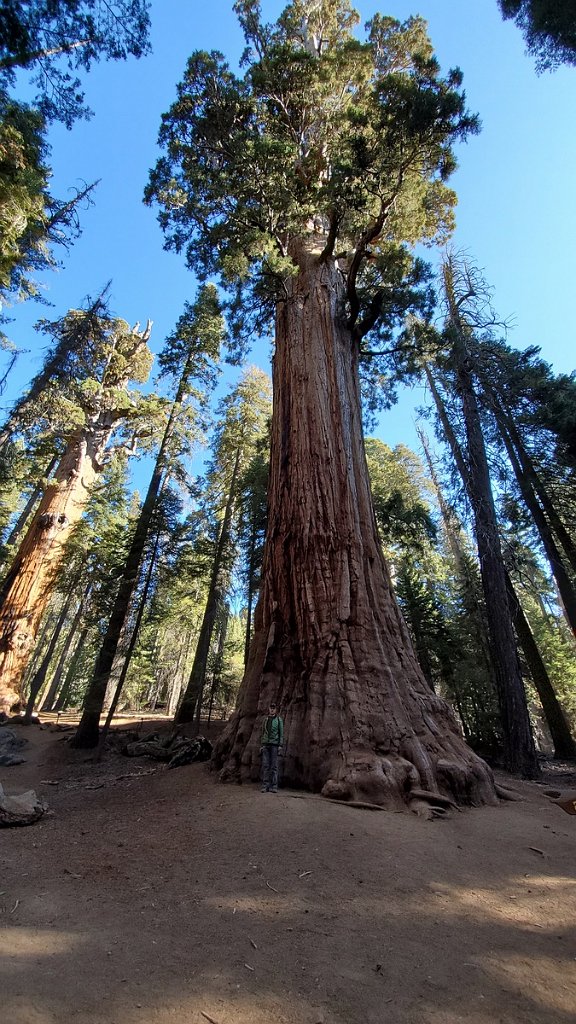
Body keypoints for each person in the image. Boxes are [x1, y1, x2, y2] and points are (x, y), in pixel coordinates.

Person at [260, 700, 284, 793]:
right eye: (271, 708)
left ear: (276, 710)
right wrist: (262, 744)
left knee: (274, 766)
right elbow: (262, 733)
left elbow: (281, 733)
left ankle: (274, 786)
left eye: (274, 708)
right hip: (266, 745)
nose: (272, 710)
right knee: (265, 765)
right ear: (269, 709)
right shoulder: (265, 720)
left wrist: (280, 745)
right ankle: (265, 785)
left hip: (274, 745)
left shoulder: (279, 720)